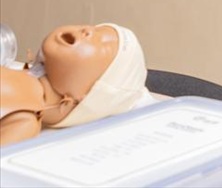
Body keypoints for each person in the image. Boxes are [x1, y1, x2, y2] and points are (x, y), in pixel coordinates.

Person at [0, 23, 149, 145]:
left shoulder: (23, 121)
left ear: (89, 95)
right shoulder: (8, 65)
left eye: (104, 46)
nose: (87, 30)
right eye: (95, 28)